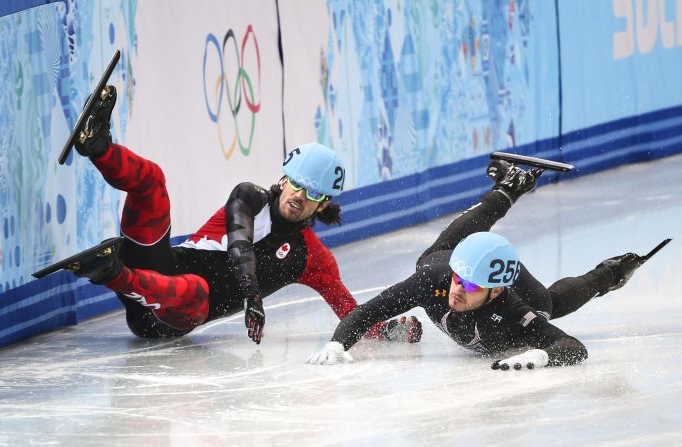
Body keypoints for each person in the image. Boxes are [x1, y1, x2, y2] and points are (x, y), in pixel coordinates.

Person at [64, 85, 423, 344]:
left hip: (168, 317)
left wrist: (386, 329)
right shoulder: (249, 197)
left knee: (197, 290)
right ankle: (98, 146)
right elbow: (240, 244)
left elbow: (347, 309)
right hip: (156, 268)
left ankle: (113, 273)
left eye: (312, 193)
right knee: (153, 181)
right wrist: (253, 297)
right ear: (283, 177)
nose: (299, 195)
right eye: (296, 183)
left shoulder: (312, 258)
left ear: (324, 204)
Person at [305, 160, 642, 369]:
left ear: (496, 291)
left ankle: (608, 274)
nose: (458, 290)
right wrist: (338, 343)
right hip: (444, 263)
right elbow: (366, 313)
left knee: (547, 305)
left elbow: (571, 347)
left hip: (521, 291)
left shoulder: (517, 312)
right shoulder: (437, 280)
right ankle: (508, 189)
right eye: (459, 279)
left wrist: (543, 356)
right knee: (437, 255)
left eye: (471, 286)